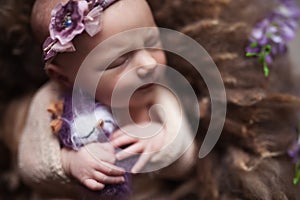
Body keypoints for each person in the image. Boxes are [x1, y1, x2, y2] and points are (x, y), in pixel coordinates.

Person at [18, 0, 197, 199]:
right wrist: (68, 163)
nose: (149, 63)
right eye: (118, 61)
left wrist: (161, 141)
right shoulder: (51, 103)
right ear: (63, 78)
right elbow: (29, 167)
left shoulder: (158, 94)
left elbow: (187, 163)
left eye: (152, 42)